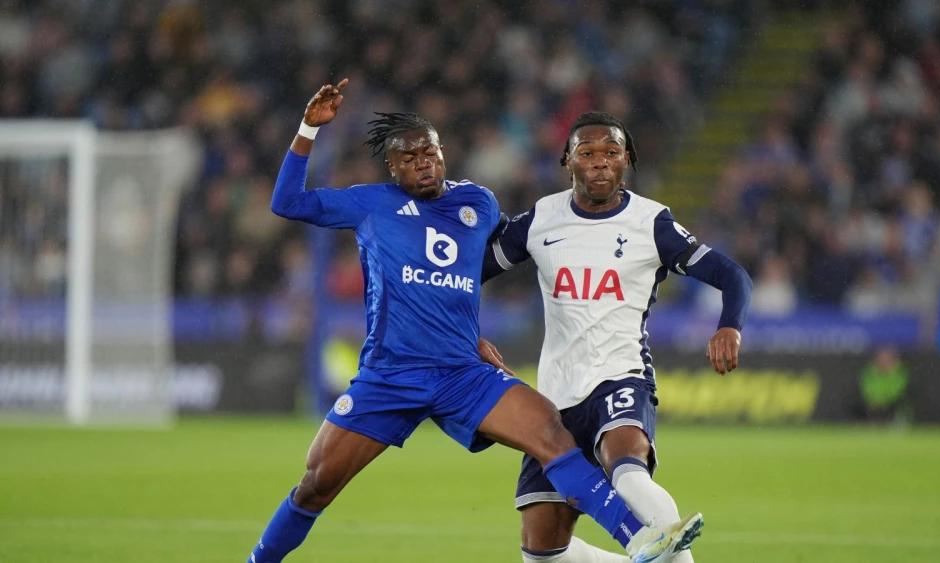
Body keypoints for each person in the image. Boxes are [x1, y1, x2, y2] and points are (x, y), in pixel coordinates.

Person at [247, 83, 695, 563]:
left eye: (431, 151)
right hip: (391, 375)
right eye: (410, 156)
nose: (423, 161)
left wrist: (469, 331)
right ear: (392, 167)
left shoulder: (476, 204)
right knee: (317, 484)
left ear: (443, 153)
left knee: (550, 430)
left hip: (461, 372)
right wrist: (308, 129)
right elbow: (287, 202)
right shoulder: (370, 204)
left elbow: (499, 258)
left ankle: (638, 539)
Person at [481, 112, 752, 563]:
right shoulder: (540, 220)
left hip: (621, 375)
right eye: (587, 153)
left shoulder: (652, 223)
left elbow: (732, 274)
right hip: (554, 397)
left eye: (611, 152)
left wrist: (729, 326)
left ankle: (669, 540)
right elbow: (465, 276)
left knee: (626, 471)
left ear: (626, 158)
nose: (600, 162)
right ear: (567, 160)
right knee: (543, 554)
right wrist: (468, 333)